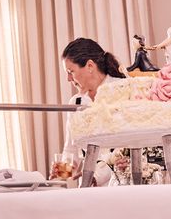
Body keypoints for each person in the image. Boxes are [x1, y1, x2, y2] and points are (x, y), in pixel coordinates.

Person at [53, 37, 126, 186]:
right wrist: (61, 174)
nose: (68, 79)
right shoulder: (76, 102)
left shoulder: (123, 90)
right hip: (89, 186)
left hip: (121, 183)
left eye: (70, 72)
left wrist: (96, 176)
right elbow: (71, 148)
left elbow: (125, 149)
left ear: (90, 66)